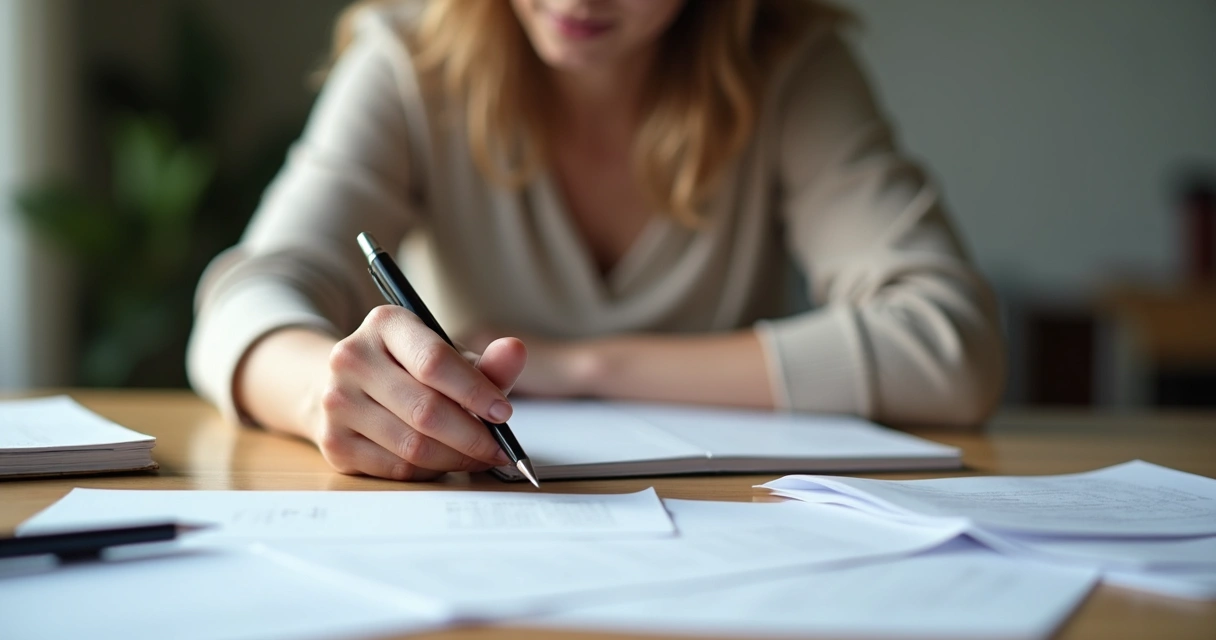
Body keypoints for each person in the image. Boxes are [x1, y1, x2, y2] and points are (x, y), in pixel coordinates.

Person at [187, 0, 1005, 481]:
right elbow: (245, 302)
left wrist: (583, 368)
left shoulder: (789, 64)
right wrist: (323, 395)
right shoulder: (412, 57)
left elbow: (951, 344)